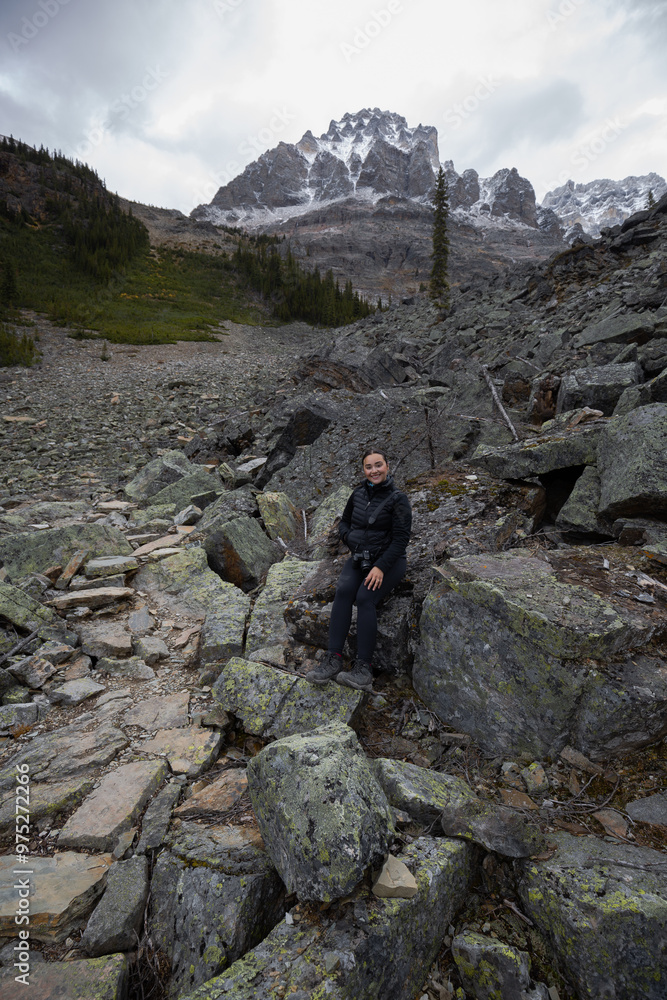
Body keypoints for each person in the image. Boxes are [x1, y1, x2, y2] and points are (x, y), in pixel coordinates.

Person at [305, 448, 412, 692]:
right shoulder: (358, 494)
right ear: (363, 470)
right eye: (369, 467)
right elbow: (344, 521)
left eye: (378, 465)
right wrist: (349, 536)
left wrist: (380, 567)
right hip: (360, 557)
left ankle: (363, 669)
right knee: (343, 591)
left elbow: (401, 539)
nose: (374, 470)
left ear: (387, 466)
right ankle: (333, 659)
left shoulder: (398, 499)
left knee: (365, 597)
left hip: (390, 562)